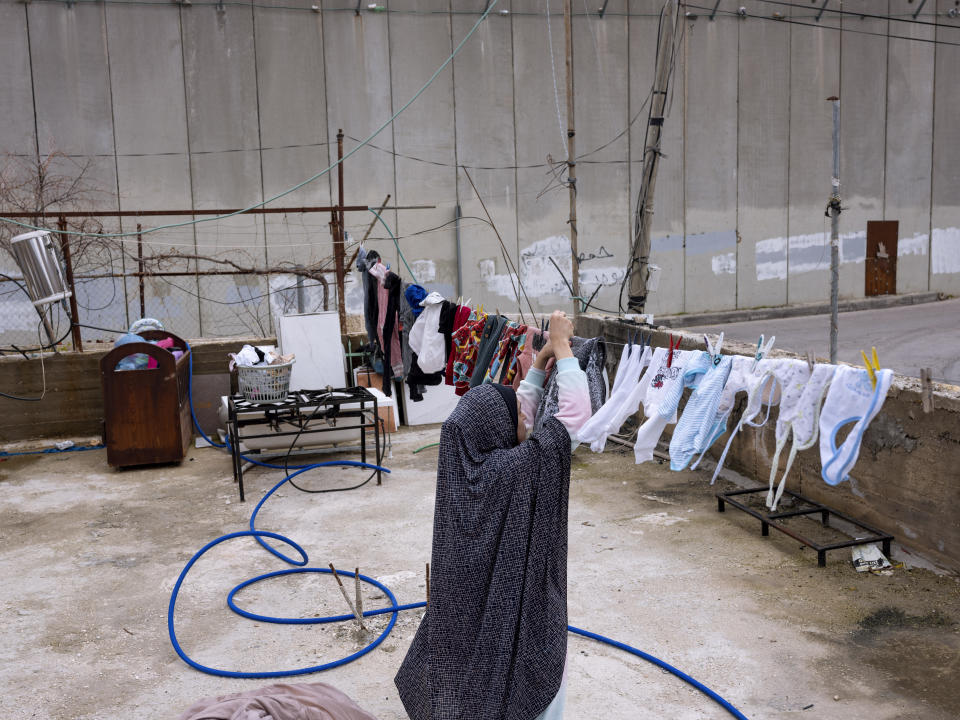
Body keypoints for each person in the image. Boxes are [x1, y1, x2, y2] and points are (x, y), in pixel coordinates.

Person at [395, 310, 591, 720]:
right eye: (517, 413)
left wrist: (536, 368)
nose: (526, 417)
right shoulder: (515, 471)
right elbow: (572, 421)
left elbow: (514, 413)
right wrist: (563, 349)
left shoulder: (461, 467)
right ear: (497, 428)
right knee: (530, 690)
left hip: (468, 643)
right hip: (516, 635)